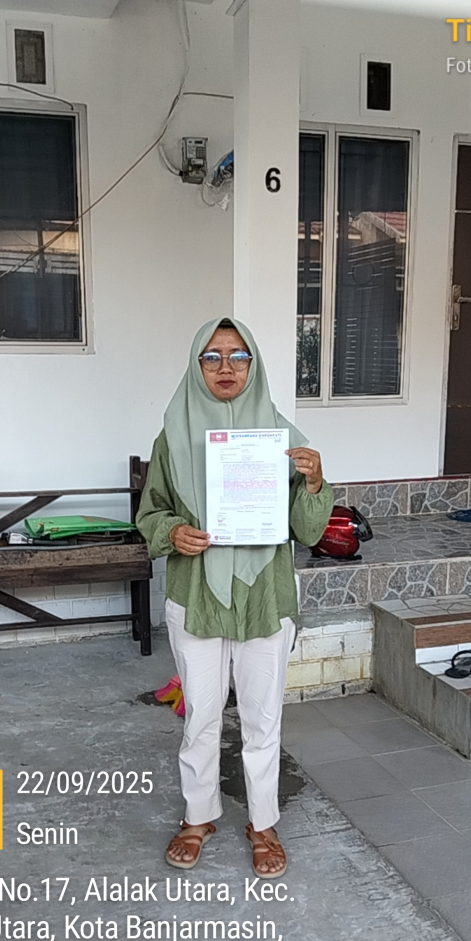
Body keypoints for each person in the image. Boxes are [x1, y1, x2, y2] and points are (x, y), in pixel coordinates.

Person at [136, 316, 334, 877]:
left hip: (264, 595)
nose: (226, 367)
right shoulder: (173, 436)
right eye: (213, 356)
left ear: (254, 365)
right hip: (196, 593)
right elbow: (149, 514)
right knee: (200, 715)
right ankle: (197, 816)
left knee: (262, 717)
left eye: (238, 356)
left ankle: (263, 822)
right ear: (196, 364)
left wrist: (315, 483)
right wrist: (173, 531)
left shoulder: (283, 438)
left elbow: (310, 531)